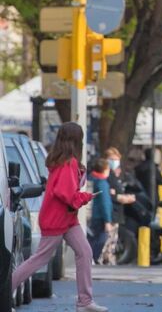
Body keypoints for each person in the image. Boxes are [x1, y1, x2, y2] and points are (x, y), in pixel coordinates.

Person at [11, 122, 108, 312]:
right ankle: (4, 294)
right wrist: (86, 197)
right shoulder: (67, 163)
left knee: (85, 252)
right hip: (58, 219)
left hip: (66, 219)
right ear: (76, 140)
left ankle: (85, 302)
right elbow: (66, 194)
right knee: (39, 259)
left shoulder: (63, 162)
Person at [87, 158, 113, 263]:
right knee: (101, 238)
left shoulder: (89, 179)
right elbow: (105, 203)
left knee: (89, 239)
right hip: (99, 216)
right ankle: (91, 257)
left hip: (89, 215)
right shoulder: (102, 183)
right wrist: (108, 220)